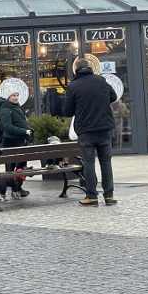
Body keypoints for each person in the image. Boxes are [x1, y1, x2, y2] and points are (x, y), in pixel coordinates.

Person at [63, 57, 117, 206]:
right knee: (106, 162)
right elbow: (112, 96)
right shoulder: (100, 80)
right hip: (104, 127)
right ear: (90, 67)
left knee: (89, 163)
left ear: (76, 70)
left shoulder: (73, 86)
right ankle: (109, 196)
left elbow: (67, 111)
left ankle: (92, 196)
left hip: (86, 130)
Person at [0, 91, 33, 199]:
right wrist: (24, 131)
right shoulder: (5, 110)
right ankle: (8, 189)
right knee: (11, 169)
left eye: (17, 95)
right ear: (8, 97)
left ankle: (17, 188)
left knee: (20, 167)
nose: (16, 98)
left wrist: (28, 129)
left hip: (20, 141)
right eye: (13, 96)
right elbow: (8, 127)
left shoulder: (15, 107)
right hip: (11, 141)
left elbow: (20, 122)